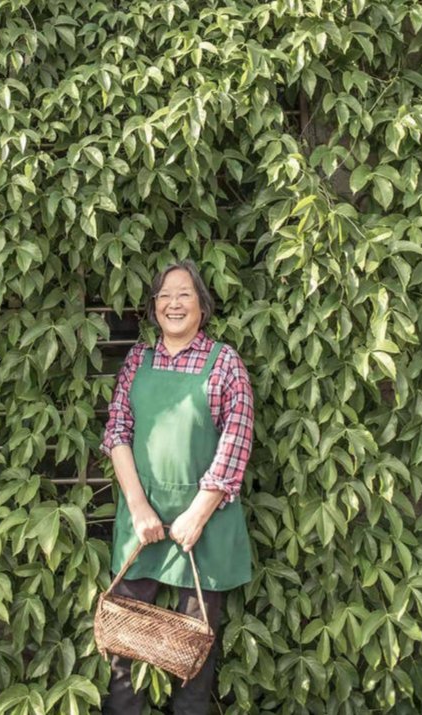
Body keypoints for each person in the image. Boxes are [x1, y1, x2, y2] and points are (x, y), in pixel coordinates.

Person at [100, 259, 254, 715]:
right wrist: (138, 507)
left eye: (184, 294)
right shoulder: (137, 360)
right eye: (165, 295)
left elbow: (236, 439)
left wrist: (196, 515)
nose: (174, 303)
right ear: (153, 308)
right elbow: (117, 431)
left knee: (194, 661)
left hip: (204, 528)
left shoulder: (224, 362)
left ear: (201, 307)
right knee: (124, 654)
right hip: (142, 520)